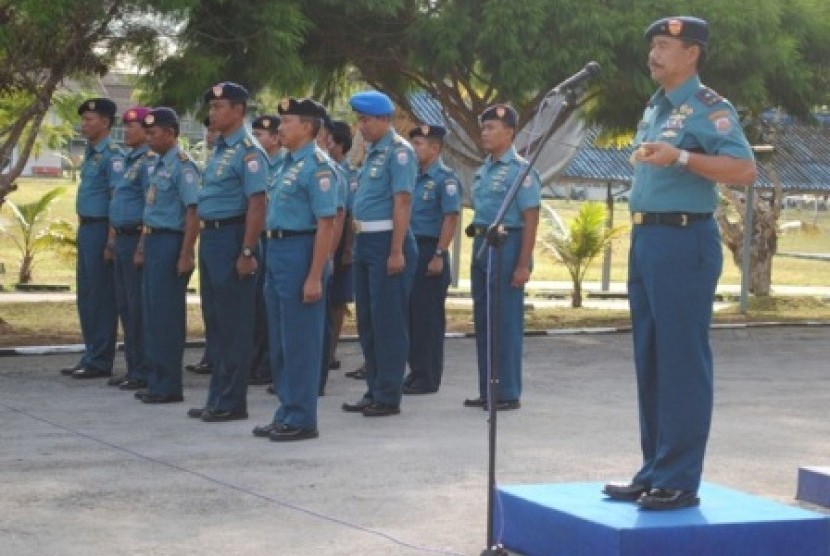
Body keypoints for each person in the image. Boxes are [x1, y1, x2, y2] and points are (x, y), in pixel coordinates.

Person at [602, 16, 756, 511]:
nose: (654, 52)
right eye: (652, 44)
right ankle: (654, 470)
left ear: (692, 53)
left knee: (682, 362)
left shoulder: (710, 108)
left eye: (665, 44)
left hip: (685, 239)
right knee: (650, 358)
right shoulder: (656, 106)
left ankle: (680, 479)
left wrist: (682, 159)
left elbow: (744, 169)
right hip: (648, 238)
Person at [252, 97, 337, 441]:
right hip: (277, 250)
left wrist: (315, 274)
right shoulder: (286, 164)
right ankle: (286, 410)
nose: (280, 127)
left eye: (286, 122)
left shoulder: (318, 167)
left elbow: (327, 224)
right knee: (281, 339)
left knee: (301, 339)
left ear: (306, 127)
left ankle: (303, 417)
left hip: (302, 250)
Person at [187, 82, 267, 422]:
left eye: (220, 107)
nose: (213, 113)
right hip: (213, 238)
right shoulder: (221, 149)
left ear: (238, 111)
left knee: (235, 325)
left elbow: (257, 204)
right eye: (212, 108)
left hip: (234, 237)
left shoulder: (250, 151)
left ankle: (233, 401)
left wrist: (247, 250)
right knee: (216, 323)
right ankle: (217, 396)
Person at [341, 90, 417, 418]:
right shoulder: (370, 154)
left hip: (388, 242)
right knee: (368, 323)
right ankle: (373, 389)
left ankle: (388, 395)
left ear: (385, 120)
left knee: (388, 323)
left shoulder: (399, 153)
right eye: (359, 120)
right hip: (365, 243)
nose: (361, 126)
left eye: (367, 119)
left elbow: (402, 202)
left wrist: (397, 250)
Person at [463, 104, 540, 412]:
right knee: (484, 320)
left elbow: (531, 217)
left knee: (504, 321)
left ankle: (506, 391)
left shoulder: (521, 171)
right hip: (482, 244)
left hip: (508, 245)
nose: (485, 132)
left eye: (492, 127)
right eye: (483, 127)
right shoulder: (483, 170)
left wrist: (523, 263)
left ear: (510, 133)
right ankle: (488, 389)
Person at [133, 107, 201, 404]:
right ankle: (156, 379)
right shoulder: (159, 164)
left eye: (153, 133)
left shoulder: (183, 166)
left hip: (172, 243)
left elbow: (193, 211)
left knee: (167, 317)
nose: (148, 138)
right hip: (154, 240)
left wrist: (186, 253)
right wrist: (142, 245)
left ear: (171, 133)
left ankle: (169, 385)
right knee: (152, 315)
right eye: (146, 133)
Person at [60, 98, 124, 379]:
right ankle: (90, 353)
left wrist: (111, 241)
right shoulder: (91, 153)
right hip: (86, 228)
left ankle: (100, 358)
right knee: (86, 295)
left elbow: (116, 200)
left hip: (101, 229)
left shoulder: (113, 155)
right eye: (83, 119)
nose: (84, 124)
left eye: (90, 119)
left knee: (100, 296)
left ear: (106, 123)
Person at [404, 124, 461, 394]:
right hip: (411, 249)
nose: (415, 148)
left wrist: (439, 253)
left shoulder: (445, 179)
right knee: (411, 317)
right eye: (413, 143)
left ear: (435, 148)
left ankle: (427, 377)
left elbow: (451, 218)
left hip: (430, 250)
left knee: (428, 319)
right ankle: (415, 371)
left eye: (420, 144)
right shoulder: (413, 177)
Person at [107, 106, 152, 390]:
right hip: (122, 238)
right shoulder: (128, 159)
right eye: (125, 126)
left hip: (136, 237)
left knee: (138, 308)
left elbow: (151, 205)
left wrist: (142, 245)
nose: (127, 131)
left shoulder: (148, 163)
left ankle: (142, 369)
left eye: (133, 127)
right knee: (124, 305)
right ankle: (133, 366)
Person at [249, 114, 284, 386]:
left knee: (270, 307)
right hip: (260, 239)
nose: (256, 140)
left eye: (260, 135)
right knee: (258, 307)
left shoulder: (284, 165)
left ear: (275, 138)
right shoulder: (257, 164)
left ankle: (270, 364)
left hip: (278, 241)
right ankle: (259, 360)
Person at [316, 114, 348, 396]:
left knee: (321, 316)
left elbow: (335, 219)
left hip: (320, 250)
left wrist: (328, 256)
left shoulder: (329, 171)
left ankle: (317, 375)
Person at [325, 120, 357, 376]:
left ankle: (331, 351)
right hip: (323, 239)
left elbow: (348, 216)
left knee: (336, 300)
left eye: (331, 141)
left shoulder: (347, 174)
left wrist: (347, 250)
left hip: (340, 245)